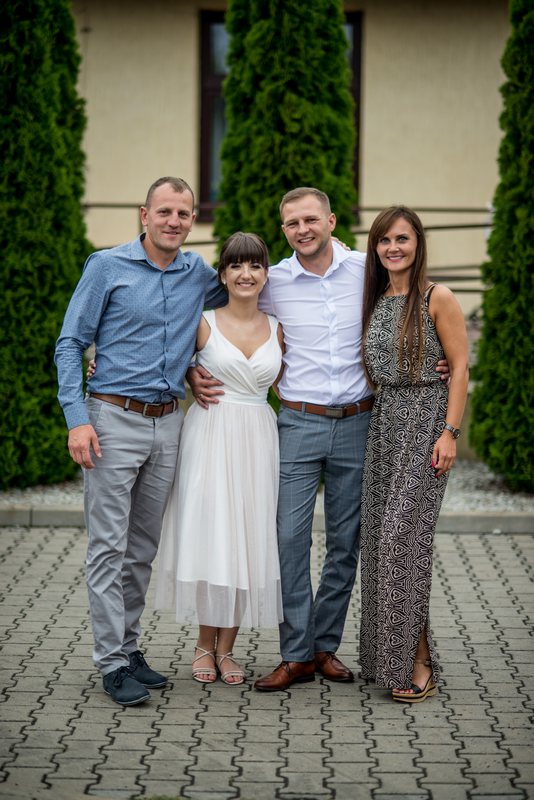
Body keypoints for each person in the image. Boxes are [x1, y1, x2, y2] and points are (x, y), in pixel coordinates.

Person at [189, 187, 451, 692]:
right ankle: (295, 654)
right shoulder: (272, 280)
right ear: (283, 230)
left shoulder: (366, 271)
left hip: (359, 421)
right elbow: (215, 319)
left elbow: (411, 305)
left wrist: (436, 360)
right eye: (292, 223)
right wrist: (187, 369)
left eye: (311, 219)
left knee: (344, 542)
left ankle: (324, 648)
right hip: (297, 422)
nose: (302, 230)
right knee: (288, 539)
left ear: (331, 221)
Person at [55, 177, 226, 706]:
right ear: (144, 214)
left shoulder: (198, 273)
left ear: (192, 220)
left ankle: (128, 649)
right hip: (111, 420)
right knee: (108, 548)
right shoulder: (107, 266)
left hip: (169, 423)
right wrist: (77, 418)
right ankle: (110, 663)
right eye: (165, 211)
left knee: (141, 551)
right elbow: (70, 342)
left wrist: (195, 364)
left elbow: (249, 291)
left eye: (184, 213)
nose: (174, 221)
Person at [154, 232, 284, 685]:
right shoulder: (202, 322)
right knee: (214, 538)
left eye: (255, 265)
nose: (246, 274)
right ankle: (202, 646)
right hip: (210, 435)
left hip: (258, 437)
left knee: (248, 539)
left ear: (266, 274)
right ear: (223, 275)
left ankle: (227, 649)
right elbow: (162, 362)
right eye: (236, 265)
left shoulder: (278, 327)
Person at [358, 206, 469, 703]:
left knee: (404, 543)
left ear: (418, 243)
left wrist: (450, 432)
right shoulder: (376, 299)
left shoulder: (436, 296)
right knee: (381, 547)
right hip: (384, 425)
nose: (393, 248)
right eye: (384, 240)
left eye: (402, 238)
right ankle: (390, 658)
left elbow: (460, 367)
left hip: (426, 424)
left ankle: (420, 662)